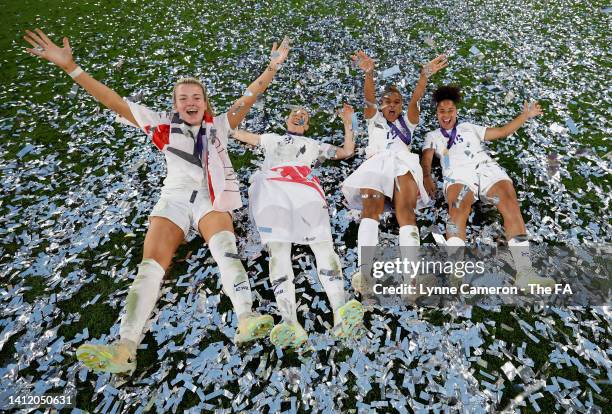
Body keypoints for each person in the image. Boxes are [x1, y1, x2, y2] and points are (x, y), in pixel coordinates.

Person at [24, 28, 290, 373]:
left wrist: (272, 68)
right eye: (183, 98)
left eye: (197, 97)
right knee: (150, 267)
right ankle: (124, 348)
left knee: (226, 250)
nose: (191, 102)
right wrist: (71, 67)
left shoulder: (220, 125)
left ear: (205, 102)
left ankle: (246, 317)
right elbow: (112, 100)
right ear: (174, 105)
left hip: (212, 198)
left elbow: (250, 95)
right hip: (176, 198)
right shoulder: (161, 125)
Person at [232, 104, 364, 348]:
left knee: (324, 245)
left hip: (305, 189)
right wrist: (238, 109)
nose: (299, 114)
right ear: (286, 120)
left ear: (308, 124)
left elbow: (346, 151)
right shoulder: (271, 139)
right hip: (273, 189)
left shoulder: (315, 145)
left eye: (305, 114)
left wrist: (348, 122)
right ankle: (289, 320)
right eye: (294, 112)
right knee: (279, 250)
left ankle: (339, 311)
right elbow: (236, 132)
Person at [420, 85, 555, 288]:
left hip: (485, 167)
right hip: (458, 174)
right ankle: (455, 274)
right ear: (437, 113)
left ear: (456, 111)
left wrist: (525, 115)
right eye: (442, 111)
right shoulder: (432, 135)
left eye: (450, 110)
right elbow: (426, 159)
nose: (446, 115)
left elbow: (502, 131)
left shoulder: (469, 127)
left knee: (510, 203)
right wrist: (427, 176)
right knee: (458, 210)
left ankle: (525, 273)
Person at [343, 51, 447, 294]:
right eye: (387, 101)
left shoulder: (409, 121)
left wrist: (424, 76)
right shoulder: (373, 118)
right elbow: (368, 99)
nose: (392, 104)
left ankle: (412, 279)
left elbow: (416, 100)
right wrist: (369, 74)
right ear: (381, 104)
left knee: (406, 212)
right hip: (376, 165)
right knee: (370, 211)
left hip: (402, 164)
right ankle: (365, 273)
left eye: (396, 102)